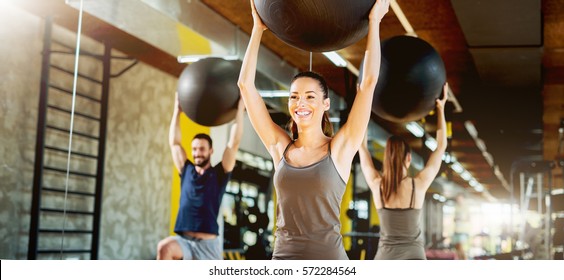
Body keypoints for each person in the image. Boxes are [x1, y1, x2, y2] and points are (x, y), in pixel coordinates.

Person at [237, 0, 390, 260]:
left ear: (325, 104)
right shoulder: (280, 148)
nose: (300, 104)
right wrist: (257, 29)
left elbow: (368, 84)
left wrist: (374, 21)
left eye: (310, 97)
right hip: (283, 261)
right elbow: (245, 86)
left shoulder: (340, 149)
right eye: (294, 97)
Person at [359, 83, 449, 260]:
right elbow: (440, 147)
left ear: (386, 158)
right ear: (408, 158)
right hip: (414, 257)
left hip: (385, 259)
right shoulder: (419, 184)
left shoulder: (378, 185)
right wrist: (440, 108)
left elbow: (361, 146)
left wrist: (364, 99)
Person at [156, 93, 245, 260]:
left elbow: (234, 144)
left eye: (202, 149)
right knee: (164, 248)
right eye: (194, 149)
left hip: (207, 246)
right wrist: (177, 111)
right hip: (184, 241)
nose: (197, 153)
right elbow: (174, 143)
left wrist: (240, 110)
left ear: (211, 151)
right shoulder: (186, 170)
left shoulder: (219, 173)